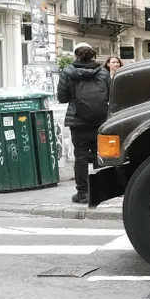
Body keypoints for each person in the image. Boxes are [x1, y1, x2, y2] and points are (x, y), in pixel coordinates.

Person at [57, 43, 111, 204]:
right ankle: (99, 191)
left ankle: (82, 193)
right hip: (100, 120)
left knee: (80, 156)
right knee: (97, 155)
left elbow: (62, 98)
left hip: (77, 120)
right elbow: (111, 95)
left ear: (76, 55)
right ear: (93, 55)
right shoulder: (103, 72)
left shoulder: (68, 72)